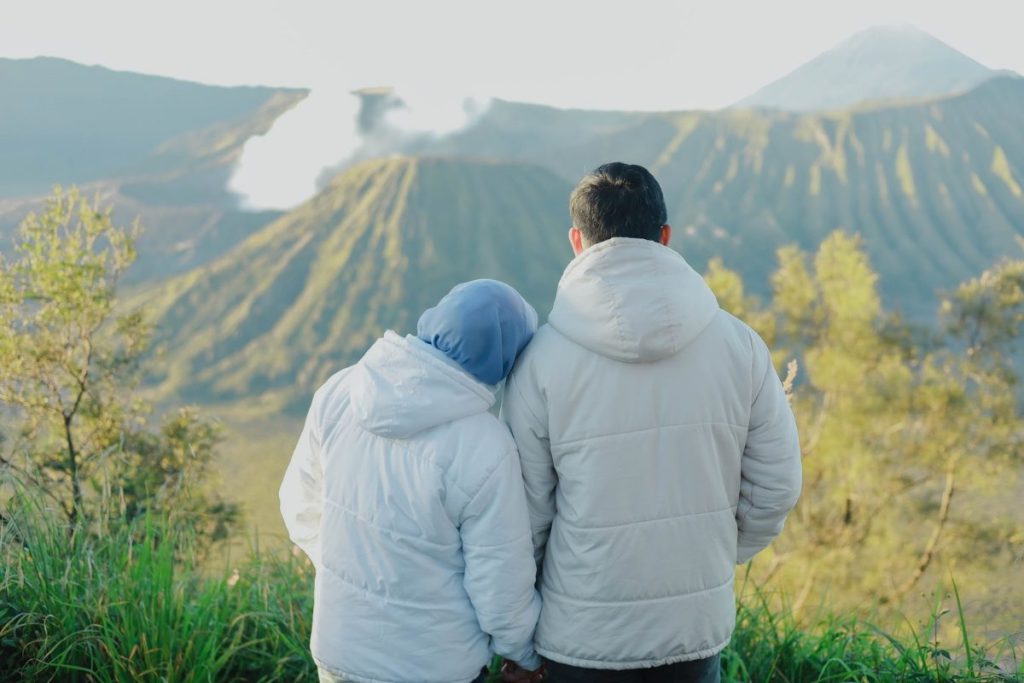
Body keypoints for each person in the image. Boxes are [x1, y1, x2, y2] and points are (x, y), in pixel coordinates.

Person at [501, 163, 803, 683]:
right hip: (693, 629)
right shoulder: (741, 347)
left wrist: (515, 631)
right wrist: (705, 554)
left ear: (578, 240)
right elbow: (776, 489)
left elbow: (523, 515)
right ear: (665, 236)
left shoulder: (540, 360)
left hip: (580, 636)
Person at [280, 279, 545, 683]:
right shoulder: (486, 447)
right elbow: (499, 585)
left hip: (338, 655)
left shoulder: (340, 390)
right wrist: (523, 655)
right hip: (434, 667)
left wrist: (351, 571)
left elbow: (300, 507)